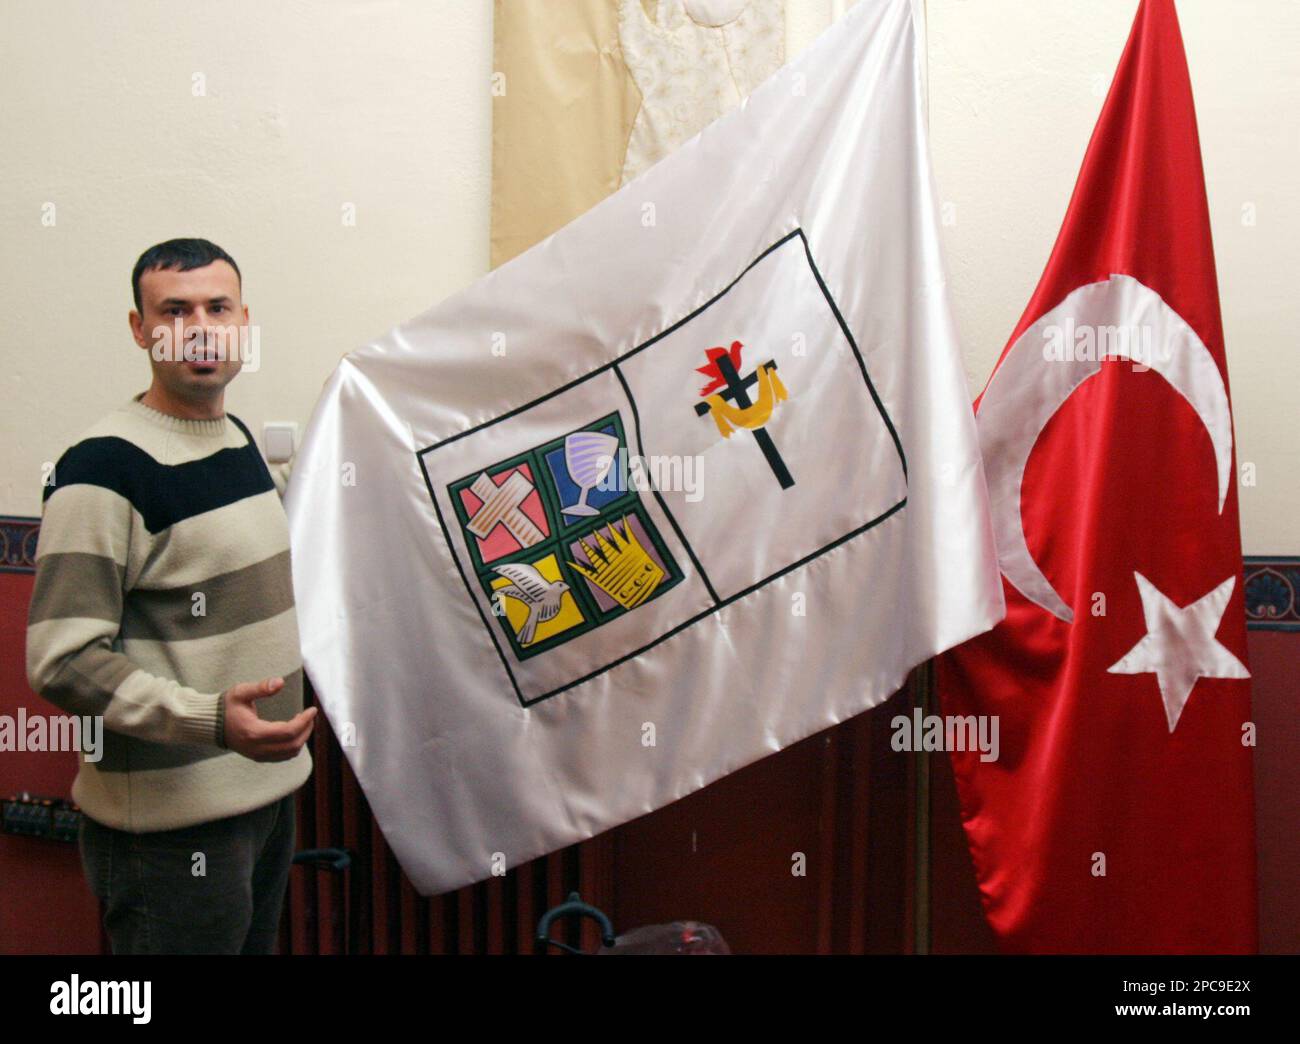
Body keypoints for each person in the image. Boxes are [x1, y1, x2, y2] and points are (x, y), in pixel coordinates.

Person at [25, 237, 318, 954]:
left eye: (218, 308)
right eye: (175, 311)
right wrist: (208, 720)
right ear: (140, 329)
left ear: (244, 322)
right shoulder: (100, 470)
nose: (199, 329)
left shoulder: (236, 440)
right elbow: (62, 660)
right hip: (171, 833)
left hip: (265, 799)